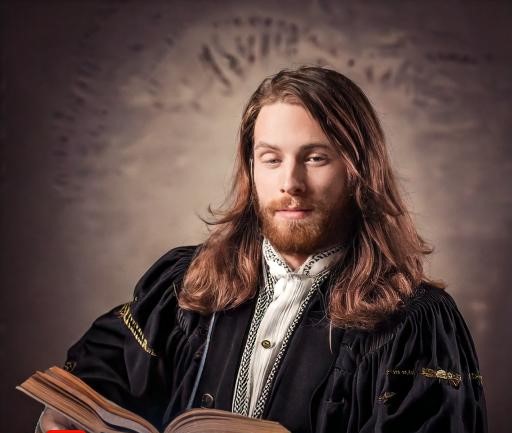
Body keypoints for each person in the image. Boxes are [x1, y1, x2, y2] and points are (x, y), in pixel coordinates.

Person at [38, 66, 487, 433]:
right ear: (251, 167)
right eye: (271, 158)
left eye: (315, 157)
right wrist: (65, 421)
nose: (290, 183)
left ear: (358, 172)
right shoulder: (184, 283)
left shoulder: (416, 322)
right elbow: (89, 389)